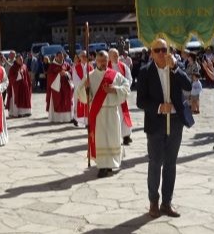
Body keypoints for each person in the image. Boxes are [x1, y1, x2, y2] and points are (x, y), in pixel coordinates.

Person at [136, 39, 193, 219]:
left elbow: (188, 86)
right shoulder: (145, 72)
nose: (161, 53)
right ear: (151, 53)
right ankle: (153, 201)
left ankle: (166, 202)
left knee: (170, 163)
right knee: (155, 163)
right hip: (155, 123)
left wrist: (176, 67)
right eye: (157, 50)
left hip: (175, 122)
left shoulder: (175, 67)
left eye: (164, 49)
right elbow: (140, 101)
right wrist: (160, 107)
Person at [77, 50, 131, 178]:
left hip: (112, 112)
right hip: (98, 113)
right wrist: (86, 88)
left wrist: (114, 89)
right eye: (100, 61)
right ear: (96, 61)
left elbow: (126, 87)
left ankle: (111, 163)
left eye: (105, 61)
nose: (103, 63)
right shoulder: (90, 76)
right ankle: (102, 167)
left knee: (112, 139)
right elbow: (81, 95)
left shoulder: (115, 75)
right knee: (101, 140)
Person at [108, 49, 134, 145]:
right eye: (114, 55)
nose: (116, 57)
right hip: (110, 96)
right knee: (113, 116)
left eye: (117, 55)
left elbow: (129, 79)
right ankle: (113, 136)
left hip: (121, 95)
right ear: (109, 57)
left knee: (124, 115)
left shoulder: (123, 66)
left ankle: (126, 136)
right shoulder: (106, 67)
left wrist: (123, 89)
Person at [46, 52, 73, 123]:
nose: (61, 58)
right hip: (56, 87)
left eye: (62, 57)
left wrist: (66, 73)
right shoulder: (52, 66)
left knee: (66, 102)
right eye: (60, 57)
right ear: (56, 57)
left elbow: (70, 71)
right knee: (58, 101)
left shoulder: (66, 64)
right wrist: (58, 75)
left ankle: (67, 118)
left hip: (66, 86)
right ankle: (57, 118)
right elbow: (49, 76)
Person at [72, 51, 93, 127]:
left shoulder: (90, 67)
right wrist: (82, 85)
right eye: (82, 56)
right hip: (79, 89)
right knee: (78, 105)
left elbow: (93, 78)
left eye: (85, 56)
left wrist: (89, 85)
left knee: (88, 106)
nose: (84, 58)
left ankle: (87, 122)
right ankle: (76, 119)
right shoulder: (76, 67)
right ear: (80, 58)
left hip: (88, 89)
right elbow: (75, 79)